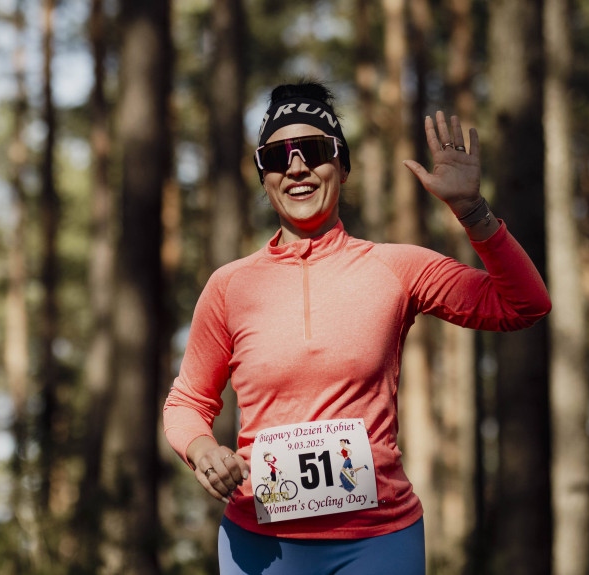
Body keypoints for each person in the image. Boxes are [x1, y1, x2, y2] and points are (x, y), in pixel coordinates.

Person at [162, 81, 550, 575]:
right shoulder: (229, 287)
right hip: (261, 544)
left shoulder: (396, 267)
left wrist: (473, 213)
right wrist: (201, 450)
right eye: (279, 156)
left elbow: (524, 305)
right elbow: (187, 403)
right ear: (264, 177)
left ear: (342, 167)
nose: (297, 166)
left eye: (316, 151)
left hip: (379, 539)